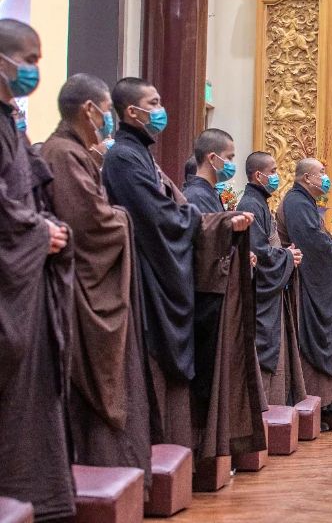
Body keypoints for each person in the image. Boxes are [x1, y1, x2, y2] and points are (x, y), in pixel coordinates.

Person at [101, 78, 255, 461]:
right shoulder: (122, 156)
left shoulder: (142, 154)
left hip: (162, 271)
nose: (160, 109)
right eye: (152, 102)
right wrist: (214, 224)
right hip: (147, 276)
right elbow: (156, 214)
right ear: (131, 112)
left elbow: (170, 206)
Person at [39, 74, 151, 484]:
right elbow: (89, 221)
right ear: (90, 110)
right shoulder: (62, 153)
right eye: (107, 111)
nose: (109, 120)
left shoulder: (79, 152)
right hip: (80, 286)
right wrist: (123, 216)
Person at [0, 20, 75, 520]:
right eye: (28, 60)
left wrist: (43, 222)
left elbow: (27, 190)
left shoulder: (11, 120)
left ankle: (37, 502)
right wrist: (35, 232)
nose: (34, 71)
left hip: (26, 280)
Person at [182, 128, 265, 475]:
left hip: (217, 291)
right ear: (211, 158)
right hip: (206, 297)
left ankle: (216, 447)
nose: (231, 164)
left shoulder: (209, 194)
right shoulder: (194, 195)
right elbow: (199, 240)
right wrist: (229, 229)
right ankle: (203, 449)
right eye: (229, 158)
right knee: (206, 376)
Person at [278, 158, 332, 427]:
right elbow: (310, 242)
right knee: (312, 343)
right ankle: (314, 404)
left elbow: (317, 237)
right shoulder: (297, 202)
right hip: (307, 284)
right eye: (322, 172)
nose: (326, 177)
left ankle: (327, 403)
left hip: (316, 280)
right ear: (307, 178)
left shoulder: (305, 202)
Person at [238, 151, 306, 405]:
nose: (277, 176)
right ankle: (263, 407)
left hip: (271, 293)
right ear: (259, 175)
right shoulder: (250, 205)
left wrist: (286, 255)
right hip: (260, 296)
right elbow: (256, 251)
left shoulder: (259, 202)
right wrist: (287, 256)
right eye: (274, 171)